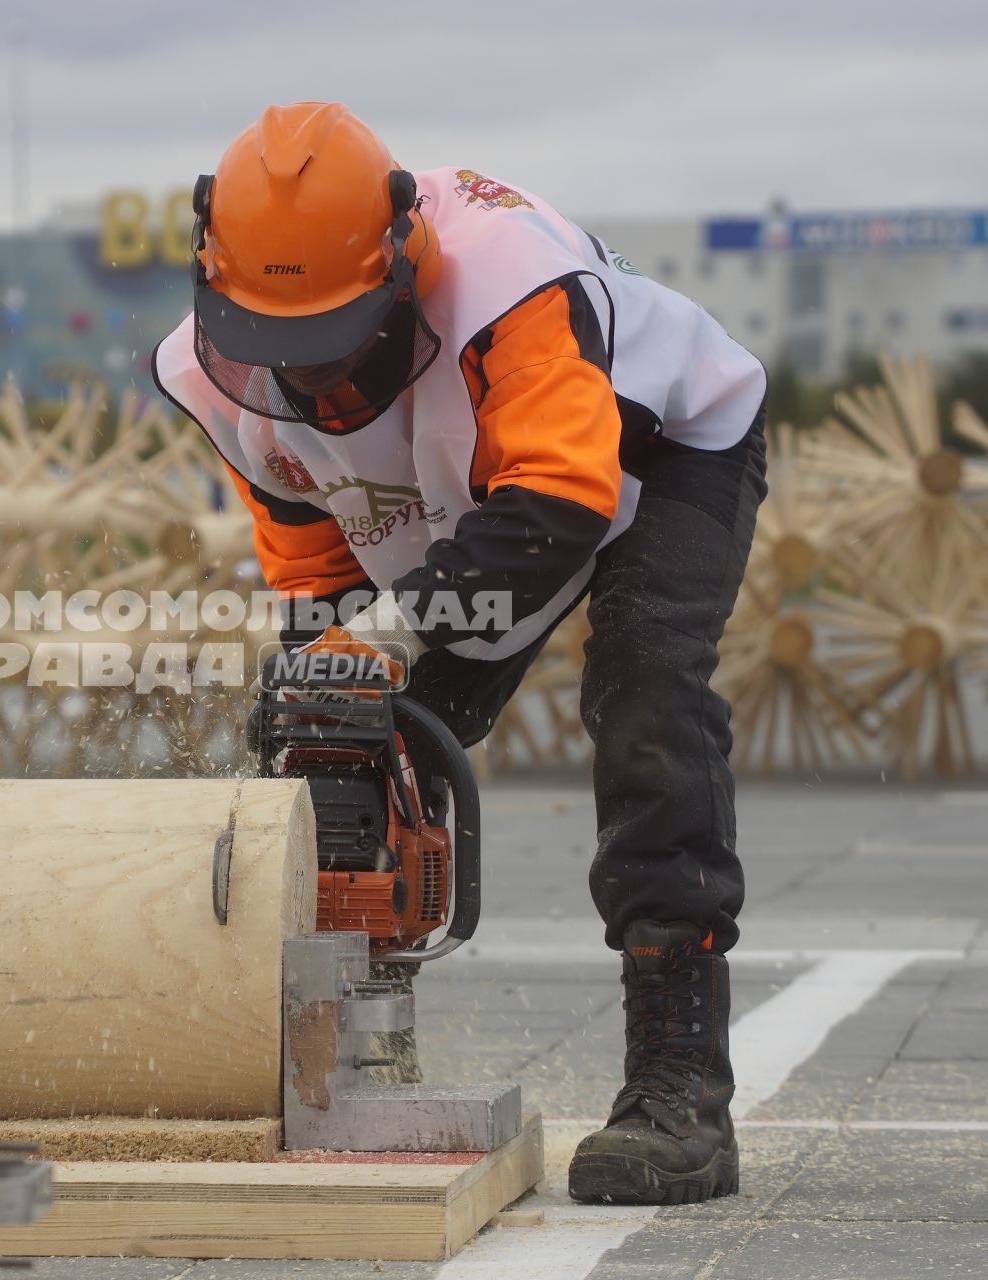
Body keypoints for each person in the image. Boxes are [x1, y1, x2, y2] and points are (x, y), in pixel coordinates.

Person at [154, 102, 768, 1205]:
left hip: (652, 452)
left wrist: (393, 632)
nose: (311, 380)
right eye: (280, 350)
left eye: (335, 343)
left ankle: (677, 1080)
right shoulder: (207, 374)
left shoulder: (504, 281)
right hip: (461, 504)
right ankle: (334, 1042)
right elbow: (309, 564)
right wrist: (327, 704)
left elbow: (557, 505)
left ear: (400, 267)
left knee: (642, 690)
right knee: (328, 723)